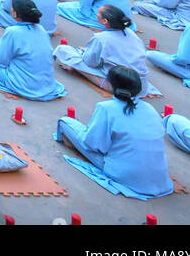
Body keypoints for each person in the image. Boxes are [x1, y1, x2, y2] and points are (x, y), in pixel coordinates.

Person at [54, 65, 175, 199]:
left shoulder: (106, 108)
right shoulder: (149, 108)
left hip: (125, 176)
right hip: (160, 180)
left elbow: (92, 144)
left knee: (65, 122)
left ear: (111, 85)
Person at [0, 0, 67, 100]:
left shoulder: (13, 31)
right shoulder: (41, 29)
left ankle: (14, 89)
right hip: (46, 84)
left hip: (22, 84)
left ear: (15, 14)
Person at [54, 5, 156, 96]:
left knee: (64, 50)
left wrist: (86, 52)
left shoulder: (101, 38)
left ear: (105, 21)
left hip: (119, 85)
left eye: (98, 13)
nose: (97, 14)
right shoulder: (131, 33)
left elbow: (91, 62)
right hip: (141, 85)